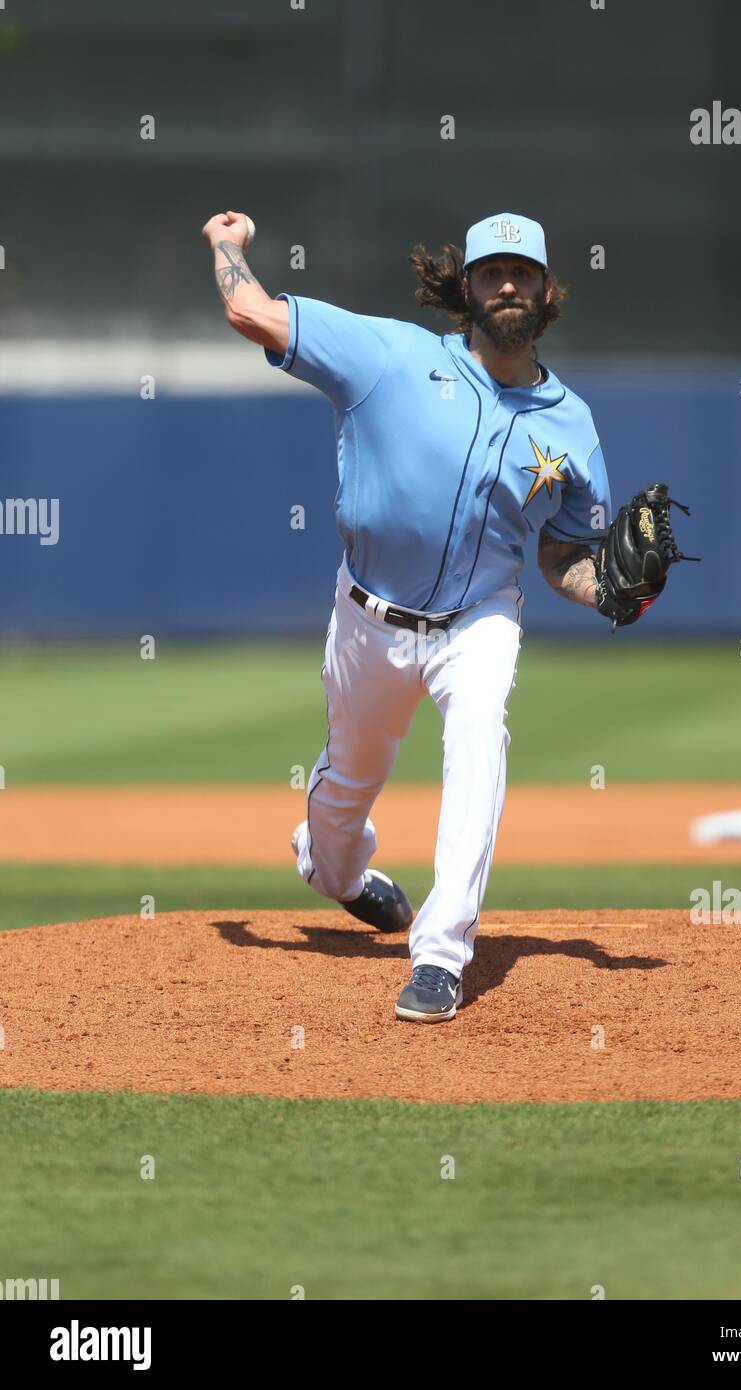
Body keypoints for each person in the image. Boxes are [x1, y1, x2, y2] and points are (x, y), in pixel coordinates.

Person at [202, 210, 613, 1023]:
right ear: (465, 288)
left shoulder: (571, 424)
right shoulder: (387, 354)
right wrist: (225, 247)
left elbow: (564, 558)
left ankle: (439, 954)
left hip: (480, 618)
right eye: (491, 272)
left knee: (478, 735)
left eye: (521, 273)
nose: (506, 285)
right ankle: (339, 874)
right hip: (368, 618)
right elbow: (250, 312)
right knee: (340, 805)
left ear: (545, 290)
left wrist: (615, 593)